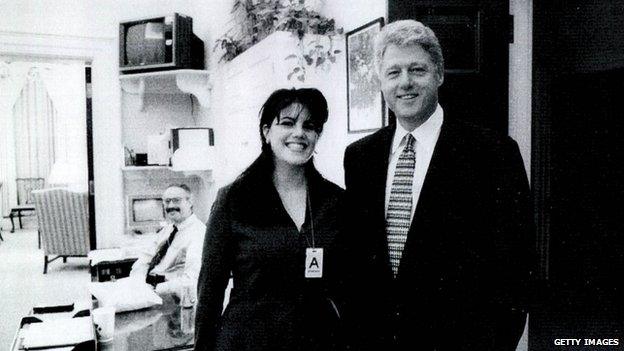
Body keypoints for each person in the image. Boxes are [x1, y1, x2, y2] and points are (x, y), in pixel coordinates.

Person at [343, 20, 533, 350]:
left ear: (439, 75)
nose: (405, 82)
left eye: (417, 69)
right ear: (380, 82)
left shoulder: (493, 153)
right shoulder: (360, 158)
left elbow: (516, 270)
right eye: (393, 72)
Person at [194, 88, 346, 351]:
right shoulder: (234, 199)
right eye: (287, 123)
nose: (299, 132)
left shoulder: (336, 201)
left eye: (309, 126)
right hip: (248, 342)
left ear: (317, 136)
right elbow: (210, 291)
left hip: (318, 342)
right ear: (266, 131)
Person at [130, 184, 206, 296]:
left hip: (169, 294)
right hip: (147, 289)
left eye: (176, 201)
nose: (170, 206)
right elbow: (145, 257)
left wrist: (155, 289)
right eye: (167, 201)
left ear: (190, 202)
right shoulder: (168, 229)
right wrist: (138, 281)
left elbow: (191, 280)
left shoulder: (198, 233)